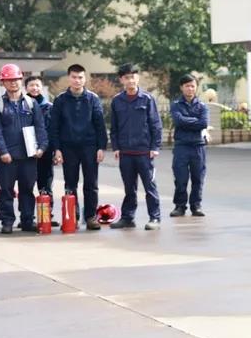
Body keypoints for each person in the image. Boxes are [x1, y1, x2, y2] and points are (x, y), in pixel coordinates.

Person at [0, 63, 47, 234]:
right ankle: (7, 221)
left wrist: (42, 147)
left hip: (28, 156)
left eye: (16, 79)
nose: (13, 83)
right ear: (3, 82)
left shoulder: (31, 103)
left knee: (27, 190)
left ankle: (27, 221)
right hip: (7, 158)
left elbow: (40, 127)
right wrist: (3, 151)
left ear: (21, 80)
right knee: (5, 191)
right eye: (9, 80)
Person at [50, 64, 108, 230]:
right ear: (69, 78)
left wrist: (101, 147)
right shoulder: (60, 100)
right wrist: (57, 148)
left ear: (85, 78)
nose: (77, 80)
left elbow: (100, 124)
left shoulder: (93, 99)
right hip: (68, 147)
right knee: (70, 184)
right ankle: (72, 217)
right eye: (74, 77)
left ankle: (90, 217)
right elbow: (54, 126)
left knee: (91, 184)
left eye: (80, 77)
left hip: (90, 147)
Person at [110, 63, 163, 230]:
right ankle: (127, 218)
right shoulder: (117, 101)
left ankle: (154, 218)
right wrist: (116, 147)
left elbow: (156, 125)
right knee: (129, 188)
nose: (130, 80)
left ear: (137, 78)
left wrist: (155, 147)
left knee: (150, 187)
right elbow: (114, 127)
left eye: (132, 77)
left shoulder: (147, 99)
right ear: (121, 80)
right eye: (126, 78)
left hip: (144, 152)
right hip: (125, 153)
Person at [170, 74, 209, 218]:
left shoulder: (202, 106)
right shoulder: (176, 105)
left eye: (193, 86)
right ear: (181, 87)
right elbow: (178, 121)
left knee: (198, 178)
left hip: (198, 146)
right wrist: (195, 121)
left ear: (196, 87)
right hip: (181, 146)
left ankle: (196, 206)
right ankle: (180, 206)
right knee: (180, 178)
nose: (190, 89)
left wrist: (186, 121)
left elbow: (203, 123)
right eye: (187, 86)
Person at [25, 77, 56, 224]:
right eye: (31, 85)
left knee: (46, 186)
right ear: (26, 88)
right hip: (26, 152)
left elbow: (54, 130)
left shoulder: (49, 107)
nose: (34, 88)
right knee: (27, 186)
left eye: (37, 85)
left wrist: (54, 150)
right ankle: (27, 217)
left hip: (45, 152)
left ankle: (47, 217)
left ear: (42, 87)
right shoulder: (21, 105)